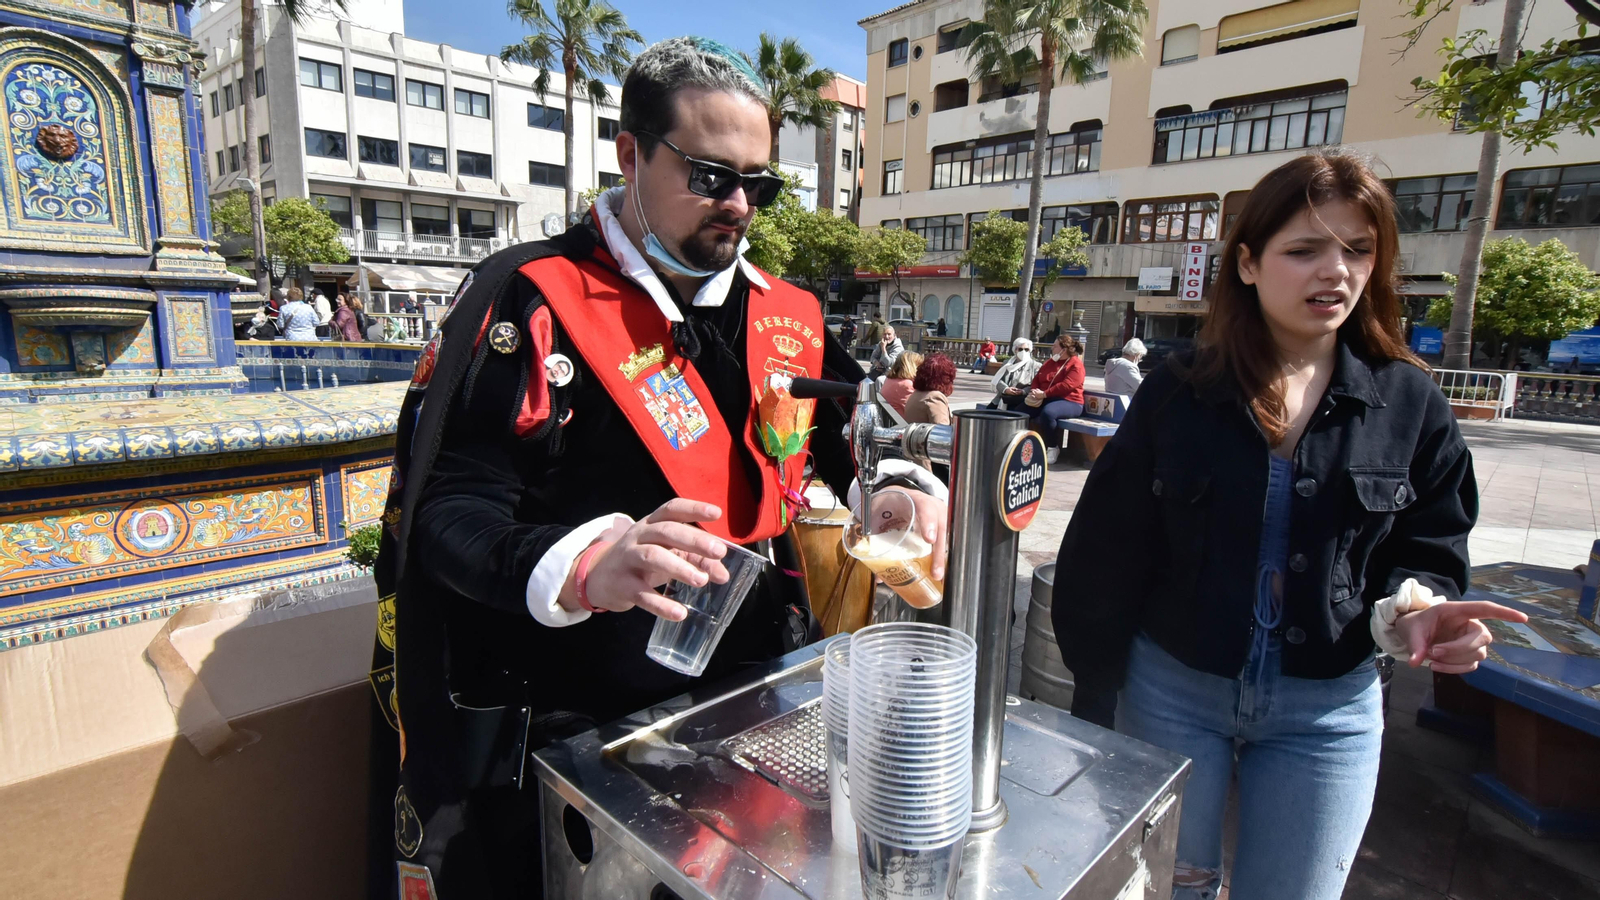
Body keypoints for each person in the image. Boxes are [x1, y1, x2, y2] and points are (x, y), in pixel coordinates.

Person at [369, 37, 950, 899]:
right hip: (573, 733)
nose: (738, 206)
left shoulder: (785, 313)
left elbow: (842, 449)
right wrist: (584, 565)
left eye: (758, 183)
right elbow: (448, 512)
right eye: (710, 176)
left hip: (748, 704)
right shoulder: (529, 298)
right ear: (631, 155)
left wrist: (893, 493)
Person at [1051, 152, 1527, 900]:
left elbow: (1432, 546)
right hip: (1171, 693)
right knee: (1165, 889)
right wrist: (1095, 699)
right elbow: (1102, 555)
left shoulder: (1411, 403)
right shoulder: (1178, 391)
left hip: (1328, 711)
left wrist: (1420, 608)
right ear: (1248, 263)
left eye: (1357, 249)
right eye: (1304, 249)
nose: (1335, 271)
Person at [1005, 334, 1084, 457]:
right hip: (1045, 398)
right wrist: (1034, 391)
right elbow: (1037, 378)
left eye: (1055, 346)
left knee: (1048, 413)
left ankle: (1052, 447)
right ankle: (1017, 444)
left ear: (1064, 349)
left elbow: (1067, 385)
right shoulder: (1050, 362)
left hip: (1070, 401)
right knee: (1020, 412)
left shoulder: (1076, 364)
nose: (1052, 348)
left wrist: (1045, 394)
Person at [986, 338, 1040, 408]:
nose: (1023, 352)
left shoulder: (1035, 365)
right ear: (1015, 350)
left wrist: (1023, 391)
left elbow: (1036, 384)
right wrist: (1006, 389)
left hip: (1023, 399)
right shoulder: (1007, 363)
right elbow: (998, 380)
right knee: (988, 411)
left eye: (1026, 349)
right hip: (1004, 397)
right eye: (1020, 349)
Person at [878, 350, 920, 415]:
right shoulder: (907, 384)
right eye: (918, 365)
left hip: (889, 419)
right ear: (912, 366)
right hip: (901, 420)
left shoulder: (889, 379)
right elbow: (915, 411)